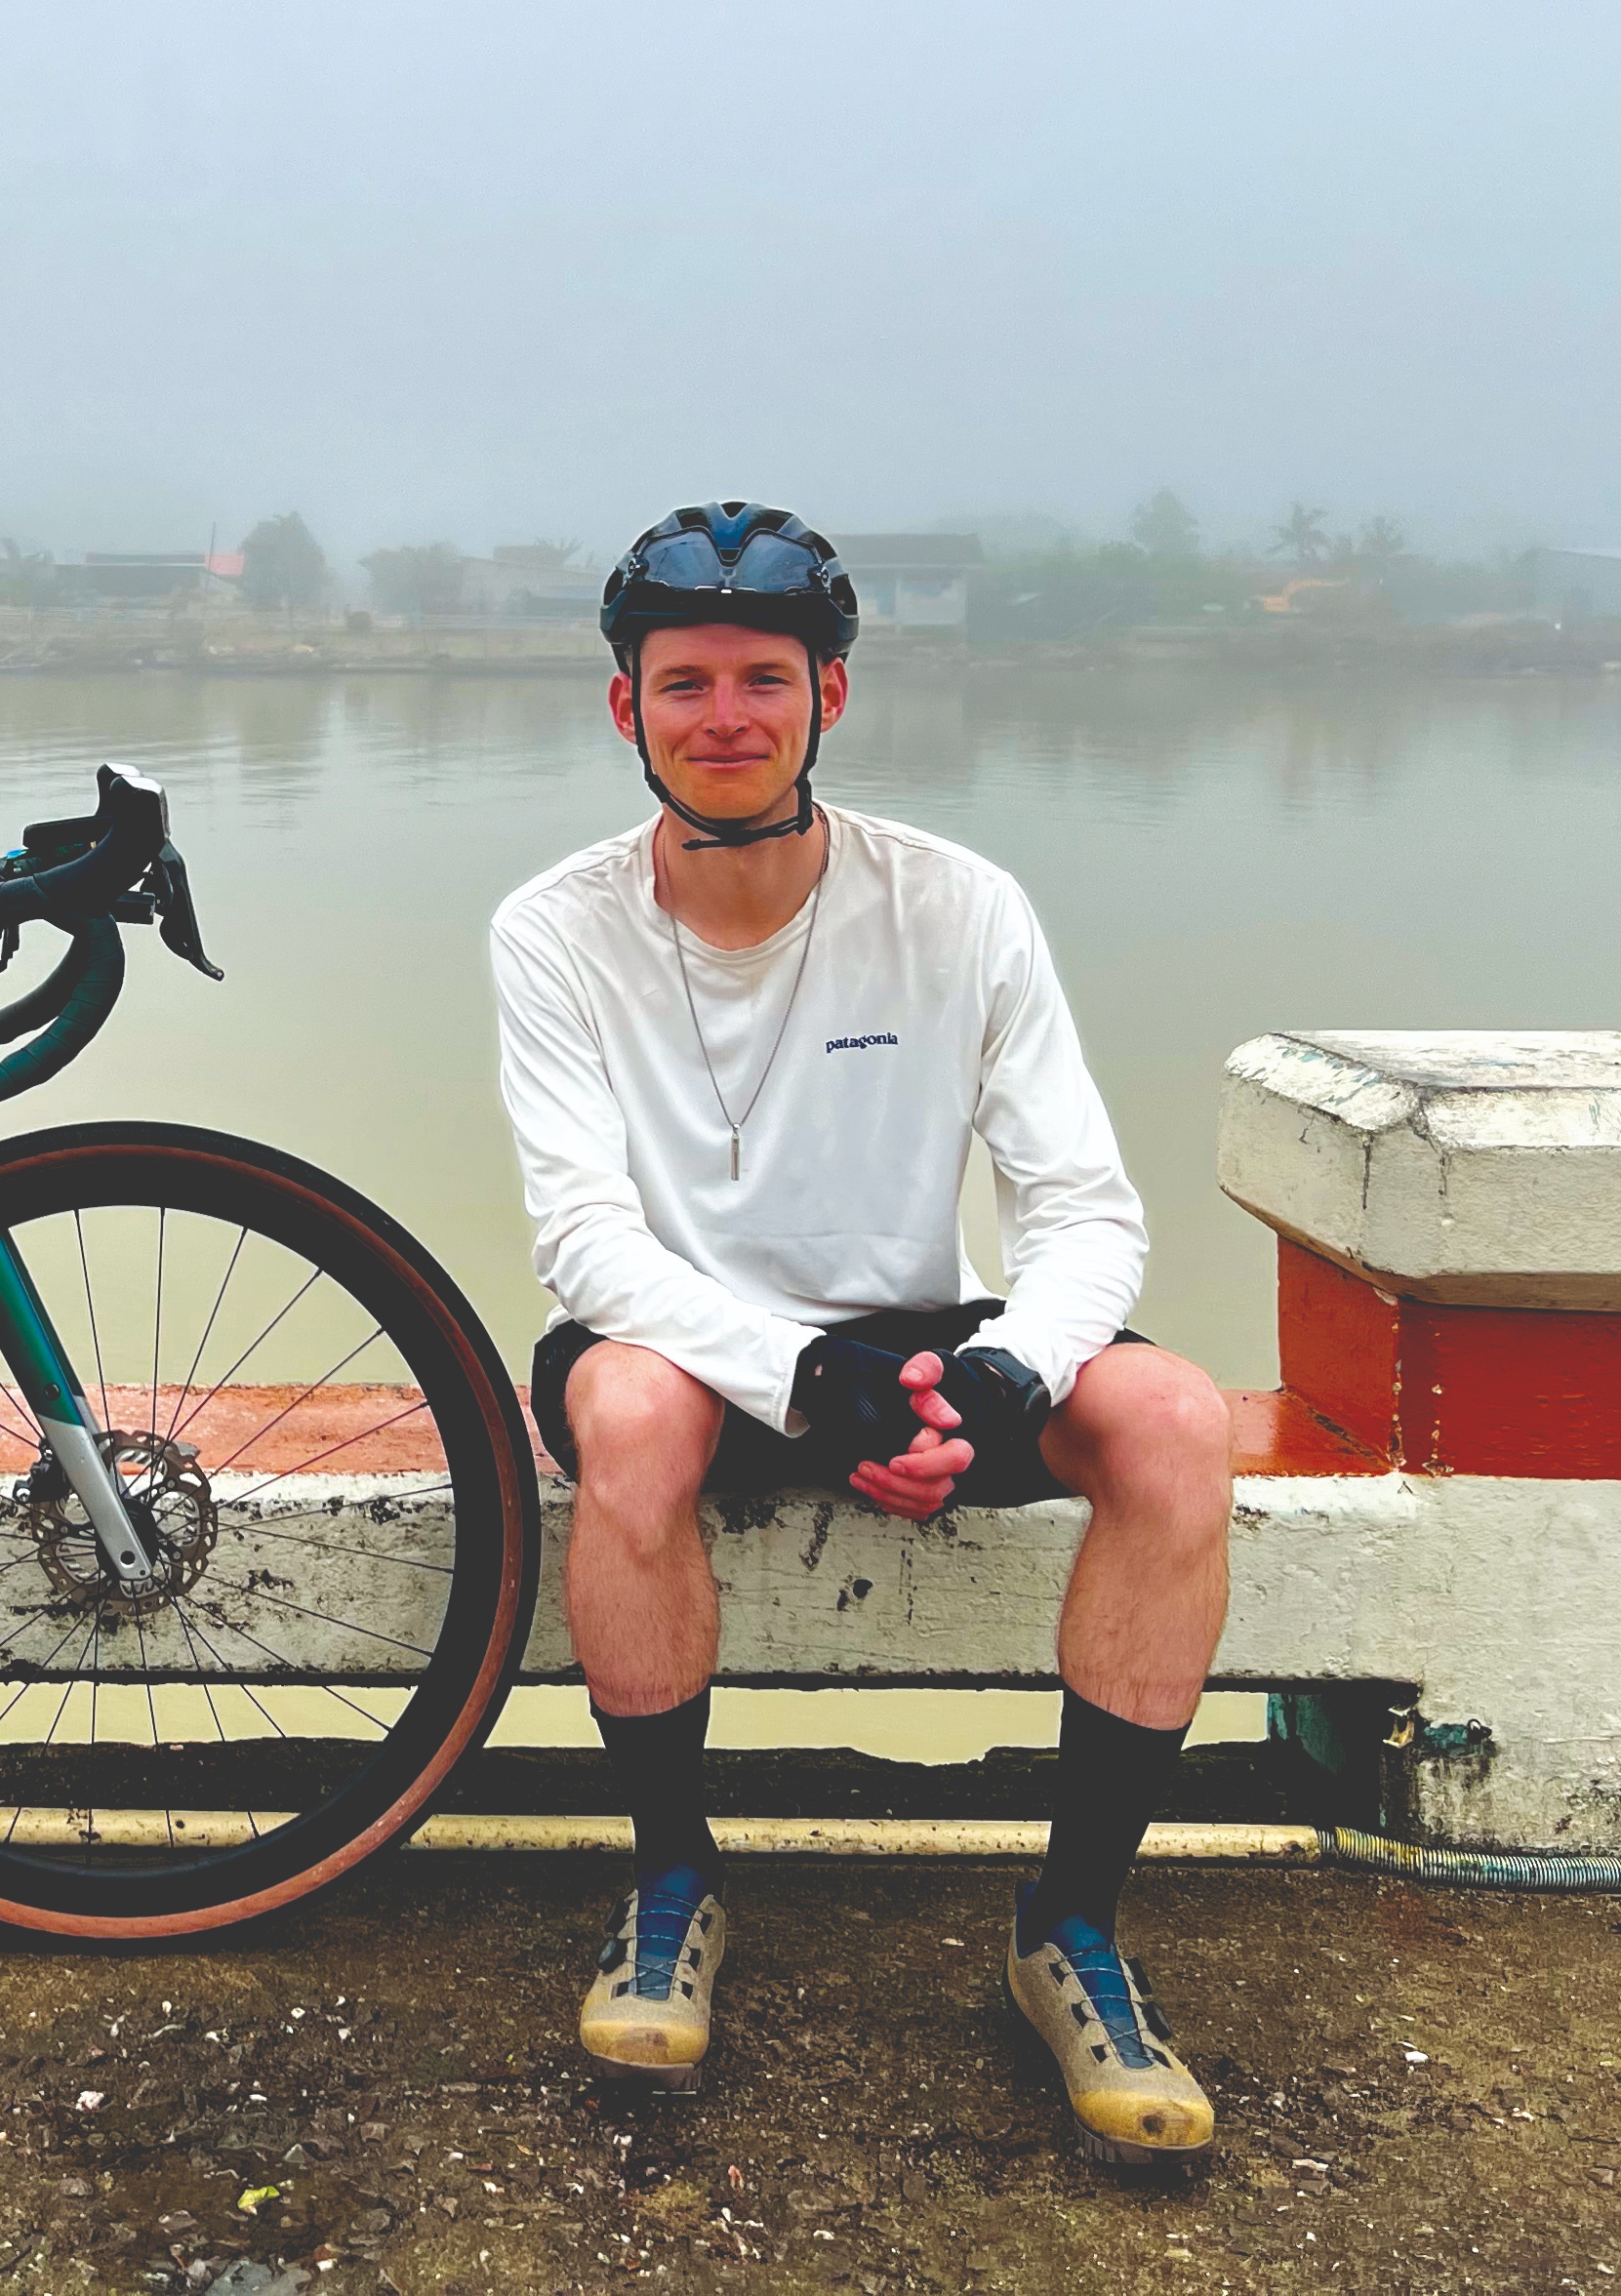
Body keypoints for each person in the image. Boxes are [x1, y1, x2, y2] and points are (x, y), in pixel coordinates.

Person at [489, 502, 1233, 2165]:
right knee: (630, 1416)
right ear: (626, 708)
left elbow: (1084, 1210)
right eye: (685, 684)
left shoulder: (958, 905)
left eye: (765, 679)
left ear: (829, 695)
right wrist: (808, 1385)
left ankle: (1073, 1927)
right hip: (681, 1342)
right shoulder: (552, 928)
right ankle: (672, 1881)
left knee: (1178, 1423)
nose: (726, 718)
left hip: (926, 1344)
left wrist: (1002, 1375)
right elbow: (587, 1241)